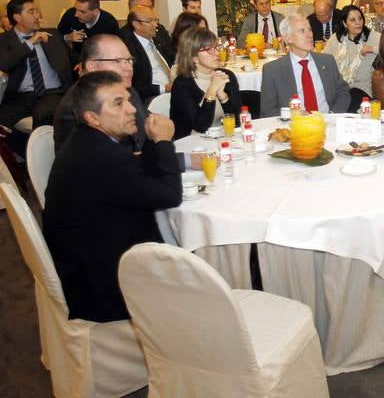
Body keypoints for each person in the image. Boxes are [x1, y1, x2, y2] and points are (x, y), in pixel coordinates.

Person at [43, 71, 182, 322]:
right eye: (118, 103)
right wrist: (163, 142)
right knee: (193, 264)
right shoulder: (101, 158)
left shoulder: (89, 141)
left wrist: (151, 142)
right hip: (104, 285)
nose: (131, 110)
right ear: (92, 117)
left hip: (90, 255)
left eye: (128, 100)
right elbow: (169, 195)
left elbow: (137, 175)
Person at [53, 34, 147, 152]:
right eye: (117, 61)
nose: (128, 68)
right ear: (92, 66)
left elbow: (145, 121)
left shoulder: (125, 90)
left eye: (129, 60)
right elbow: (102, 159)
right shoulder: (76, 107)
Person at [0, 0, 75, 134]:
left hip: (52, 92)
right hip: (23, 95)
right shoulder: (4, 40)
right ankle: (26, 153)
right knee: (3, 117)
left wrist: (85, 62)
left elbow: (73, 58)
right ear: (17, 17)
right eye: (31, 12)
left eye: (37, 11)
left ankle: (44, 152)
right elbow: (5, 64)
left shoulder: (52, 34)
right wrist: (30, 43)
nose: (37, 15)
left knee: (42, 114)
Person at [260, 14, 350, 116]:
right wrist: (292, 114)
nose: (310, 35)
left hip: (327, 122)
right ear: (288, 38)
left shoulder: (327, 61)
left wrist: (332, 114)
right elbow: (267, 111)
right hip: (294, 127)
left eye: (310, 30)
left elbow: (343, 92)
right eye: (302, 31)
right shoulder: (273, 70)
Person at [170, 27, 241, 139]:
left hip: (224, 138)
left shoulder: (227, 76)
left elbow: (237, 121)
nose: (217, 53)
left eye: (217, 47)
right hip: (193, 144)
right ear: (193, 57)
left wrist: (223, 96)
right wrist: (212, 91)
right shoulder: (182, 84)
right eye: (209, 50)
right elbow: (200, 126)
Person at [322, 5, 379, 108]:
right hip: (339, 88)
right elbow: (323, 62)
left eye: (360, 18)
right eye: (353, 20)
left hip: (361, 89)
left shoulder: (371, 36)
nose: (358, 22)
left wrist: (371, 49)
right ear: (345, 23)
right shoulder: (336, 39)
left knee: (351, 96)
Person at [119, 5, 176, 103]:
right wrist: (164, 88)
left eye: (156, 20)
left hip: (174, 89)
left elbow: (173, 59)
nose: (156, 25)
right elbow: (135, 85)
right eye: (150, 21)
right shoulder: (128, 49)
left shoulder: (159, 38)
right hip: (152, 97)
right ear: (136, 24)